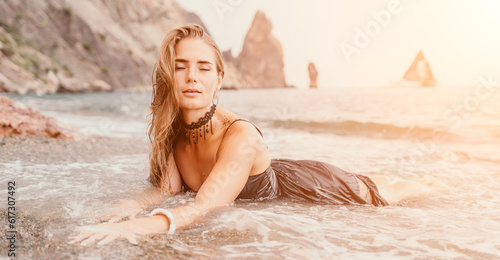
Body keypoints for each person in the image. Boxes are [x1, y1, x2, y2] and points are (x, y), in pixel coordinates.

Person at [69, 24, 390, 246]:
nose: (192, 76)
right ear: (170, 73)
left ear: (219, 79)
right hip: (290, 181)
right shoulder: (174, 130)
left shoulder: (241, 136)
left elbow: (201, 208)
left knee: (391, 195)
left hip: (315, 187)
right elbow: (166, 190)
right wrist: (127, 206)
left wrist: (134, 228)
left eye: (204, 68)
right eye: (181, 66)